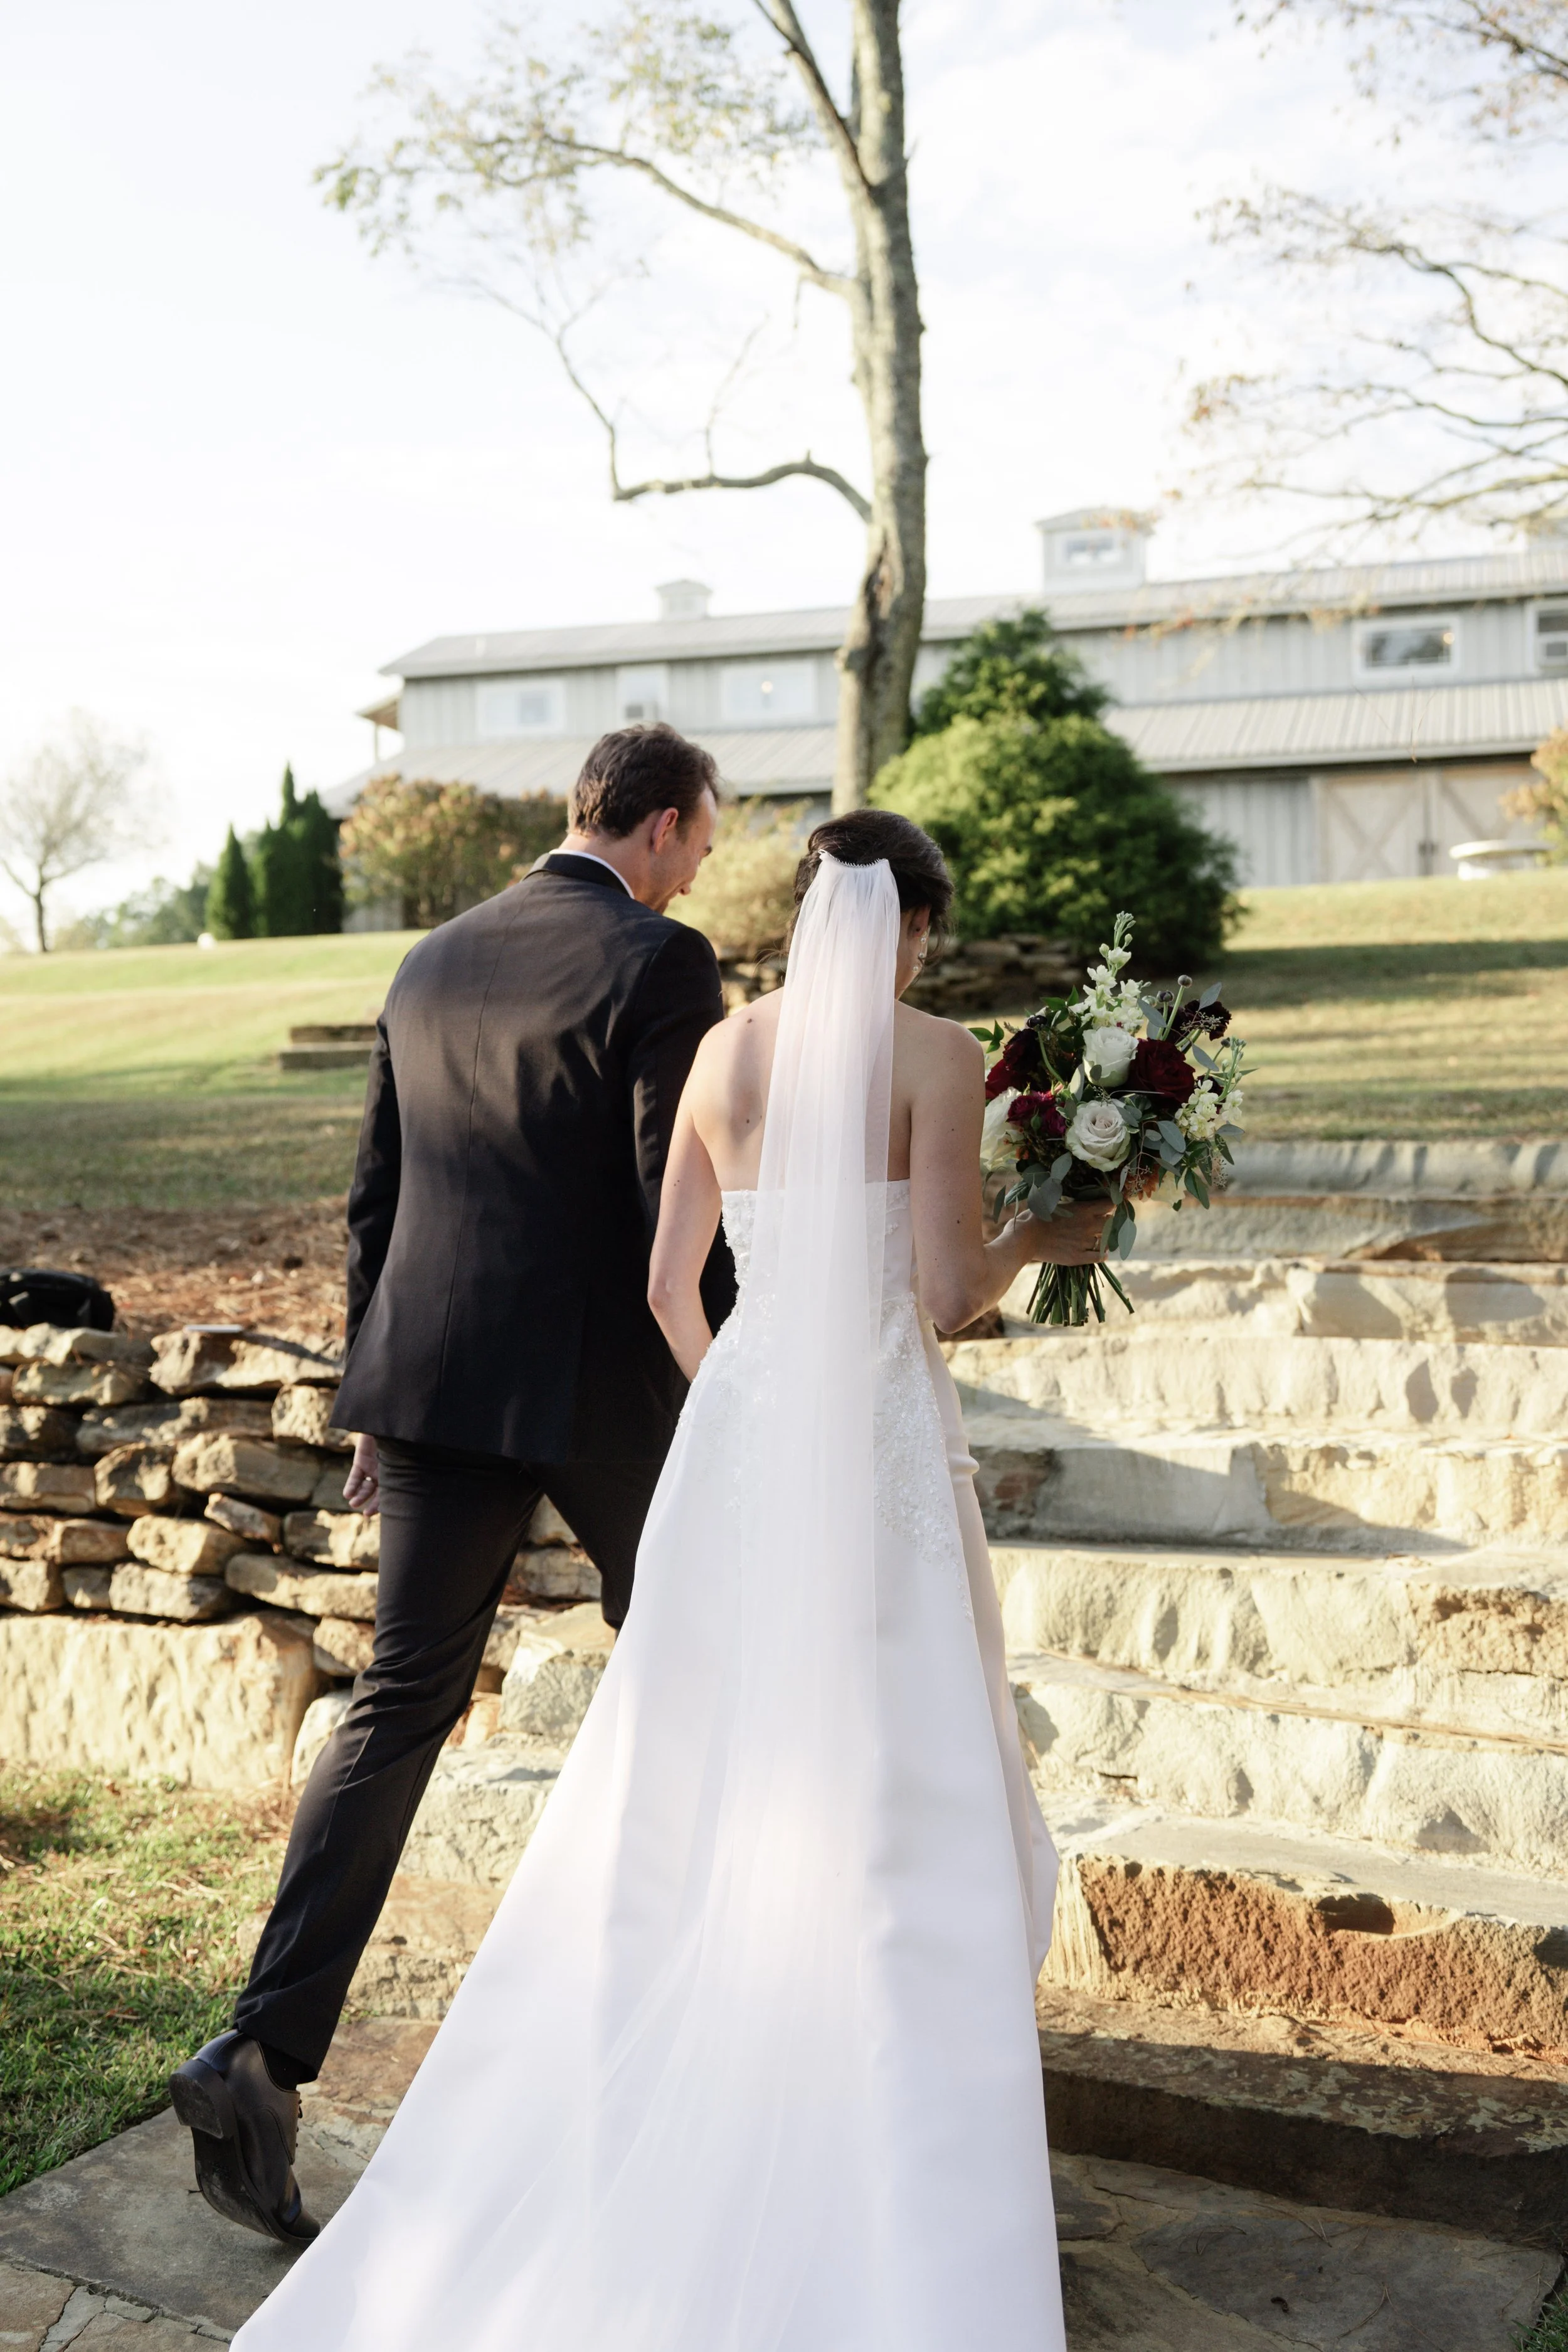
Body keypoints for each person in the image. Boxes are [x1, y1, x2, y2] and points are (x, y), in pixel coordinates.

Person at [220, 807, 1106, 2351]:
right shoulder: (939, 1056)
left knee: (686, 1755)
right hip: (881, 1435)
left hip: (737, 1435)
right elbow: (951, 1290)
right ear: (911, 928)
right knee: (900, 1760)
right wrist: (1065, 1224)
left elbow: (663, 1284)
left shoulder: (721, 1056)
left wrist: (752, 1398)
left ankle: (682, 2034)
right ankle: (876, 2108)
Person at [169, 722, 731, 2247]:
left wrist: (374, 1386)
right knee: (703, 1655)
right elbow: (663, 1200)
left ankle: (262, 2051)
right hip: (604, 1390)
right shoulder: (663, 963)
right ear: (666, 826)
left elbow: (373, 1196)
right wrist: (745, 1372)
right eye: (703, 839)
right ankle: (704, 2016)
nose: (701, 866)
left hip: (427, 1383)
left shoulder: (430, 960)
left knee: (396, 1702)